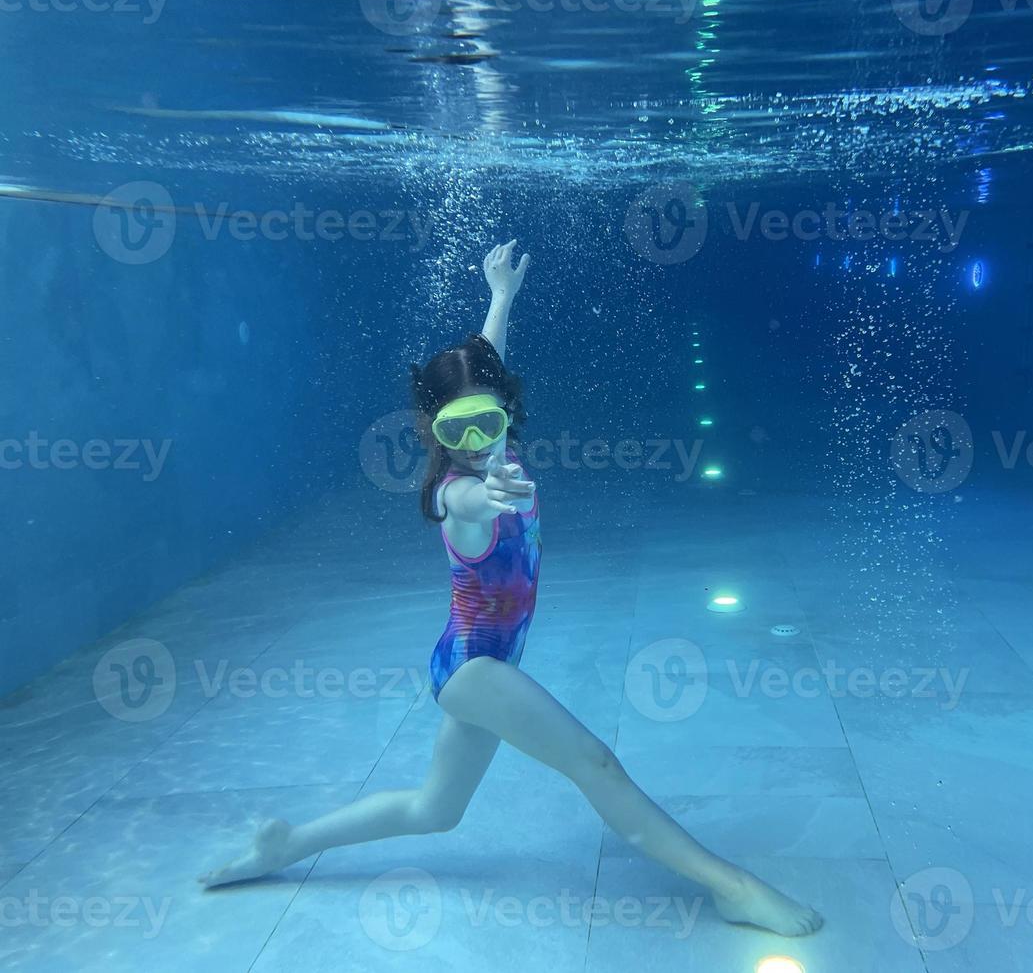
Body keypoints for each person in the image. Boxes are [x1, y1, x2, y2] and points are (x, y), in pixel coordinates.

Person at [199, 240, 823, 938]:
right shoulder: (457, 489)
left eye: (486, 420)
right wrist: (491, 494)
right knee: (596, 764)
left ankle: (288, 846)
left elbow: (482, 364)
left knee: (435, 811)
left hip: (476, 662)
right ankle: (730, 887)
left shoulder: (492, 433)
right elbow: (468, 502)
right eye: (455, 429)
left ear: (505, 406)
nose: (474, 438)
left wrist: (500, 297)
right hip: (474, 669)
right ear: (433, 431)